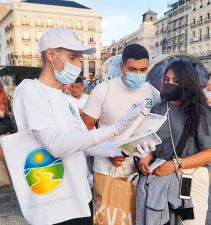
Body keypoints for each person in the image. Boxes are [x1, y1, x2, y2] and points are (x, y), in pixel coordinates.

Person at [12, 28, 145, 225]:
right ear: (51, 55)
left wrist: (125, 147)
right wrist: (115, 128)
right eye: (73, 57)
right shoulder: (30, 90)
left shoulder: (66, 100)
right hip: (54, 205)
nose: (78, 64)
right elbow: (56, 145)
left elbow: (84, 141)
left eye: (79, 59)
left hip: (81, 197)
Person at [81, 44, 161, 225]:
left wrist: (149, 156)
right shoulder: (103, 90)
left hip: (141, 172)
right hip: (107, 171)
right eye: (132, 69)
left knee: (136, 220)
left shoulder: (153, 93)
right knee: (107, 221)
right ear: (122, 67)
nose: (138, 74)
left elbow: (156, 130)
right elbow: (81, 134)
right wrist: (107, 152)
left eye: (143, 70)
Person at [137, 61, 211, 225]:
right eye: (167, 79)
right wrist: (144, 160)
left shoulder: (201, 113)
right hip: (161, 177)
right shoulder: (157, 110)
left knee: (189, 222)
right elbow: (150, 143)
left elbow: (210, 153)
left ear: (187, 83)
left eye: (176, 81)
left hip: (190, 178)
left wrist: (176, 164)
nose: (169, 84)